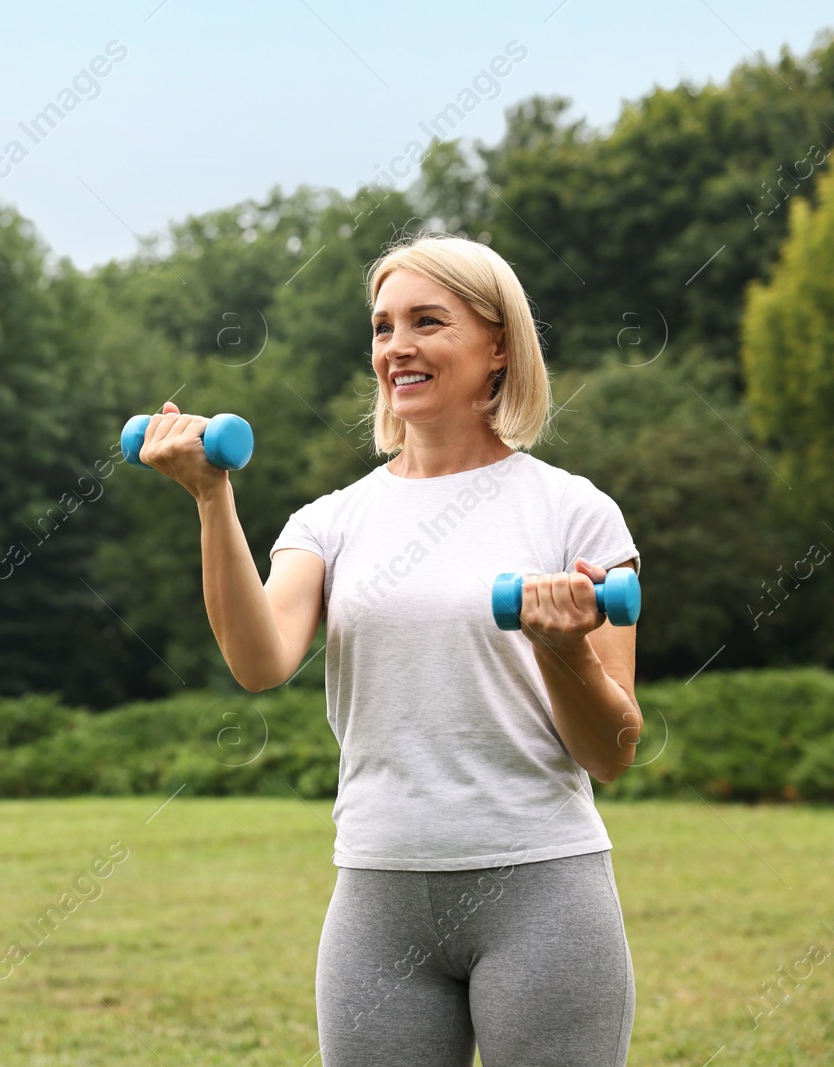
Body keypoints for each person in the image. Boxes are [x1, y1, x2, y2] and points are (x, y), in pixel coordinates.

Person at [139, 234, 639, 1065]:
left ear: (498, 348)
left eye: (427, 321)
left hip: (542, 888)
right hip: (377, 896)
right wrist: (211, 495)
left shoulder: (575, 515)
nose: (396, 346)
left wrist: (562, 651)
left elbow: (613, 751)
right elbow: (259, 661)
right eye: (382, 327)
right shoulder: (330, 520)